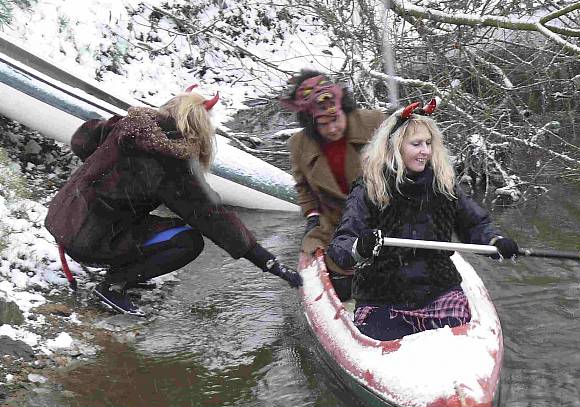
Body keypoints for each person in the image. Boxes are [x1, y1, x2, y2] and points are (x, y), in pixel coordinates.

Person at [45, 85, 301, 317]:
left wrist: (105, 175)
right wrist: (270, 263)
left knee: (159, 222)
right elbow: (212, 216)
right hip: (88, 240)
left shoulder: (125, 125)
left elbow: (82, 139)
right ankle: (113, 286)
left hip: (63, 219)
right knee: (187, 240)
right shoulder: (170, 163)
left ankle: (125, 269)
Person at [327, 100, 519, 340]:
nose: (425, 151)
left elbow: (474, 224)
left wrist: (495, 240)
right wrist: (360, 247)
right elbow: (341, 244)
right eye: (416, 144)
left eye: (428, 144)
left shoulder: (444, 185)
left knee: (458, 341)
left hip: (438, 290)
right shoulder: (369, 187)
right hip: (383, 295)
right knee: (380, 339)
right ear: (395, 147)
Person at [279, 70, 385, 300]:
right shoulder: (299, 144)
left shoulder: (375, 123)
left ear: (343, 108)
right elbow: (303, 187)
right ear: (311, 123)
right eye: (323, 124)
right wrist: (312, 216)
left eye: (335, 119)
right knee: (343, 285)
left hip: (384, 218)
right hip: (334, 225)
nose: (332, 128)